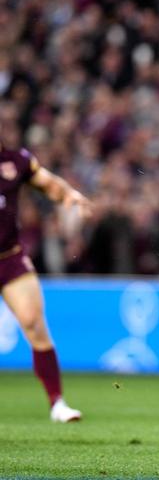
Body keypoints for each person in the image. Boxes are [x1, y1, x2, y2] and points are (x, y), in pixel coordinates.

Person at [1, 130, 91, 422]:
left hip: (9, 257)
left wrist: (67, 194)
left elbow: (48, 183)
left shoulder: (16, 161)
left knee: (33, 322)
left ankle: (57, 403)